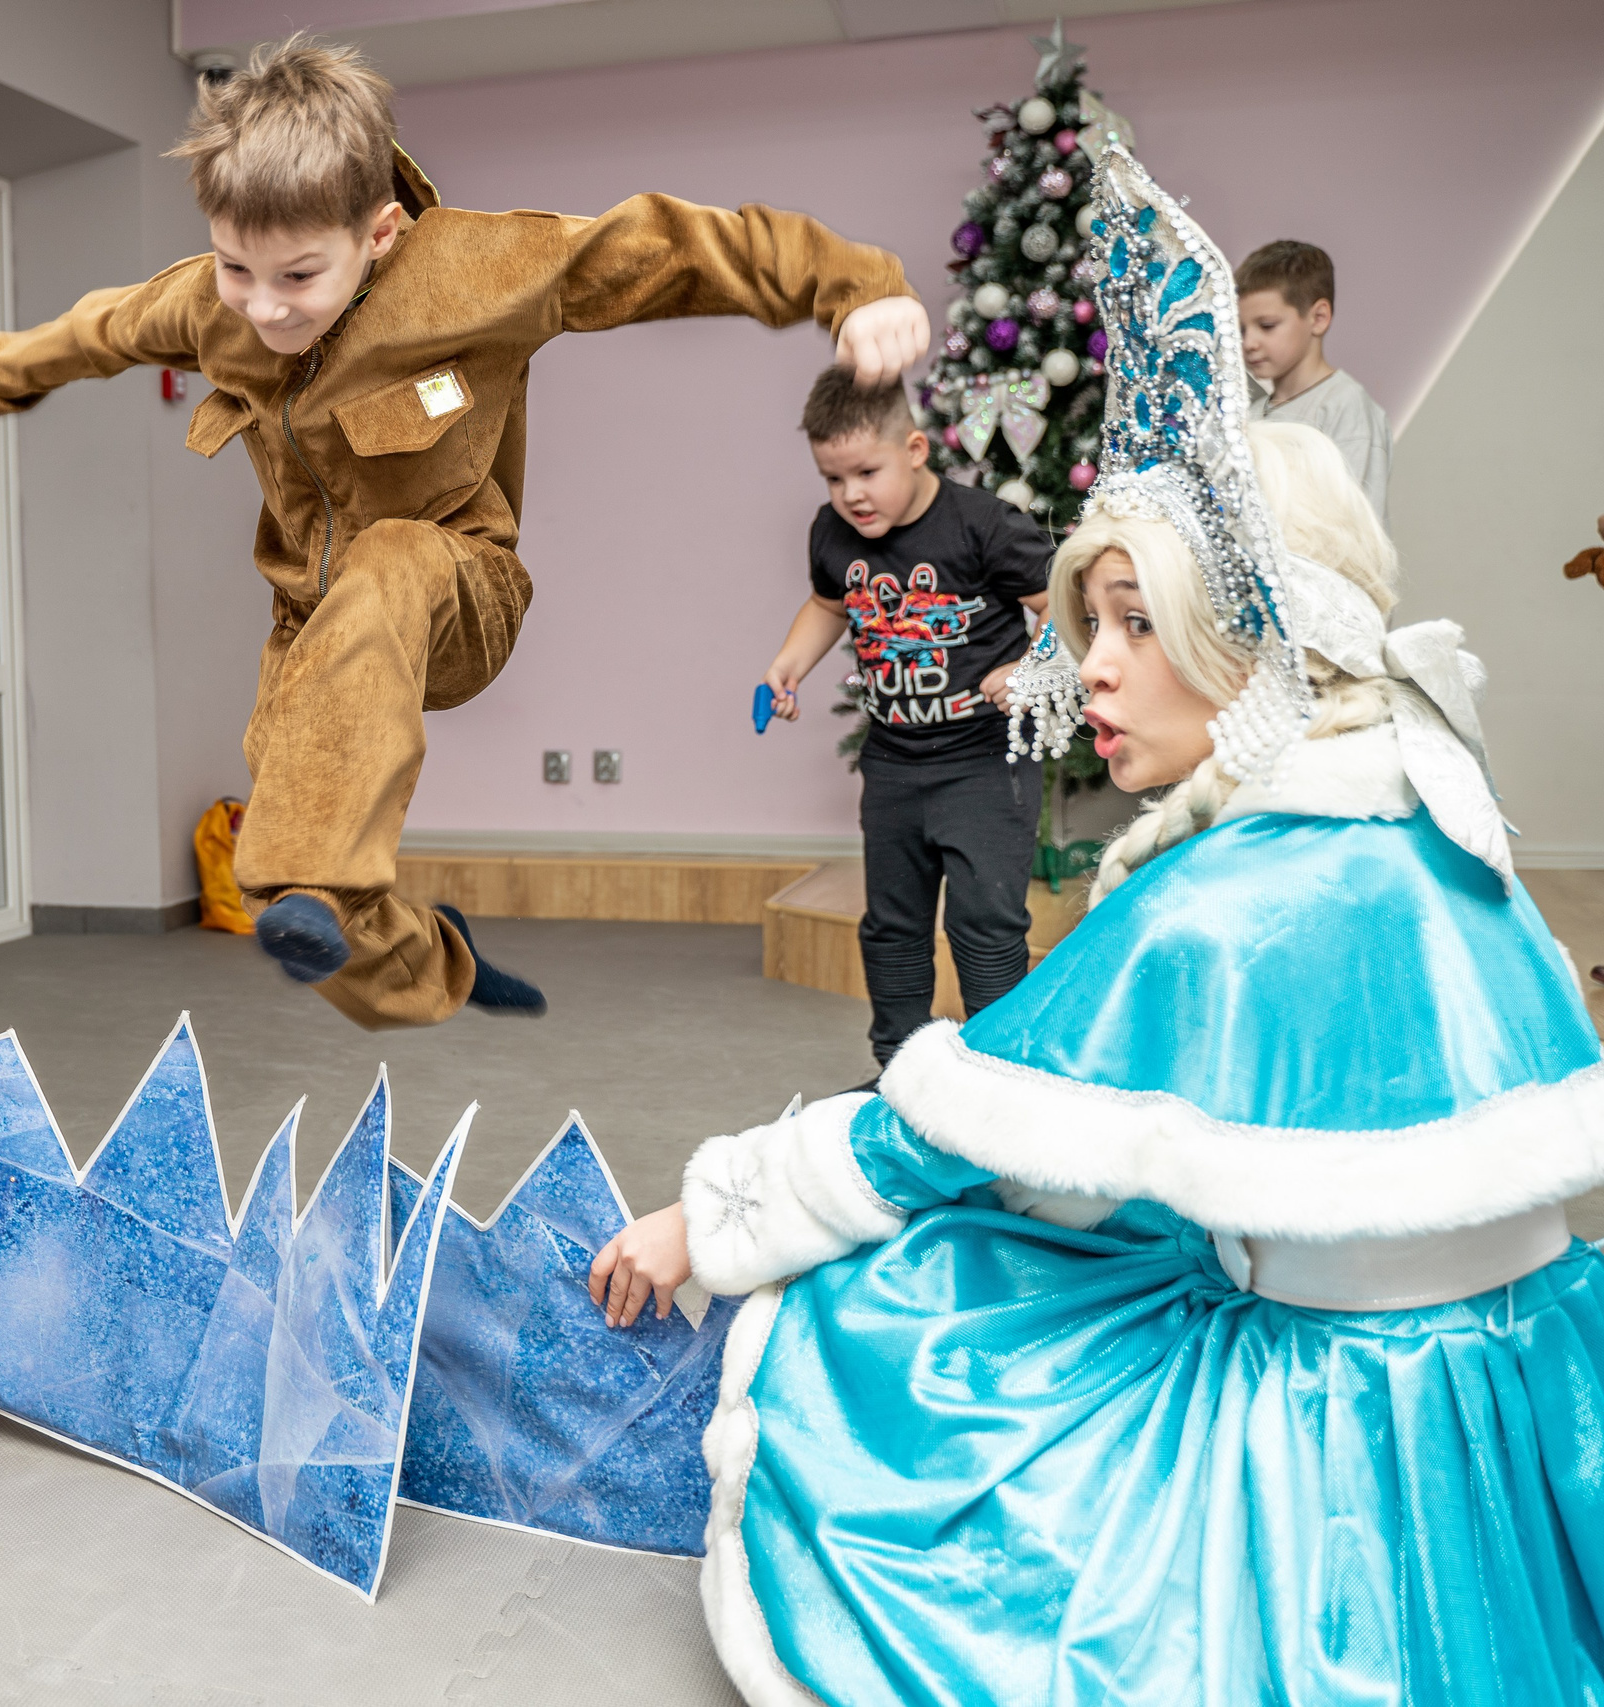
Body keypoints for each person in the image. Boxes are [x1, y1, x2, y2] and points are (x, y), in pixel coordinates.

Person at [590, 148, 1604, 1704]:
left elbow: (926, 1137)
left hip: (1332, 1450)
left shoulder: (1223, 903)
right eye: (1088, 624)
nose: (1095, 671)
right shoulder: (1444, 821)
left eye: (1141, 622)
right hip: (1523, 1400)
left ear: (1253, 637)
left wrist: (703, 1222)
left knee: (907, 1306)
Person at [0, 35, 928, 1031]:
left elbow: (666, 246)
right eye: (235, 270)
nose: (263, 309)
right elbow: (96, 331)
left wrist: (853, 287)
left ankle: (320, 869)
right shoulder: (211, 306)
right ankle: (433, 964)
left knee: (379, 592)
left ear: (381, 233)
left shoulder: (476, 269)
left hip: (456, 587)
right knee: (296, 903)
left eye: (299, 276)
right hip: (313, 625)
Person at [761, 368, 1053, 1070]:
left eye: (867, 471)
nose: (851, 494)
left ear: (915, 449)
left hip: (987, 760)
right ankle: (900, 1064)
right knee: (892, 924)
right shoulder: (833, 532)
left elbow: (1062, 604)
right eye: (833, 478)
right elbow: (831, 603)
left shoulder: (984, 525)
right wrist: (791, 660)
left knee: (984, 920)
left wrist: (1036, 669)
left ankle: (996, 1067)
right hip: (893, 761)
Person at [1240, 239, 1392, 519]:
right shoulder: (1248, 415)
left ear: (1319, 318)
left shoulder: (1346, 408)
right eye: (1241, 329)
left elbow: (1357, 531)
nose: (1249, 342)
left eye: (1267, 326)